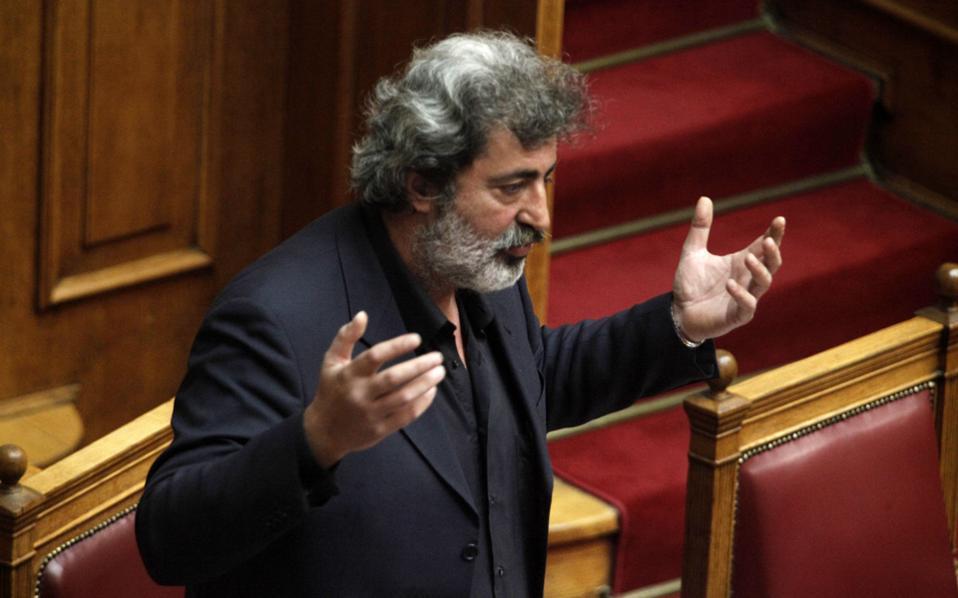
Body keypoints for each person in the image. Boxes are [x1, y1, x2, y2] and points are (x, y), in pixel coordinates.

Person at [136, 31, 784, 597]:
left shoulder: (478, 264)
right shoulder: (272, 316)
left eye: (545, 179)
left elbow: (527, 382)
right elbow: (169, 538)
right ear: (423, 184)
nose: (541, 216)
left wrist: (678, 323)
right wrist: (316, 441)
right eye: (511, 186)